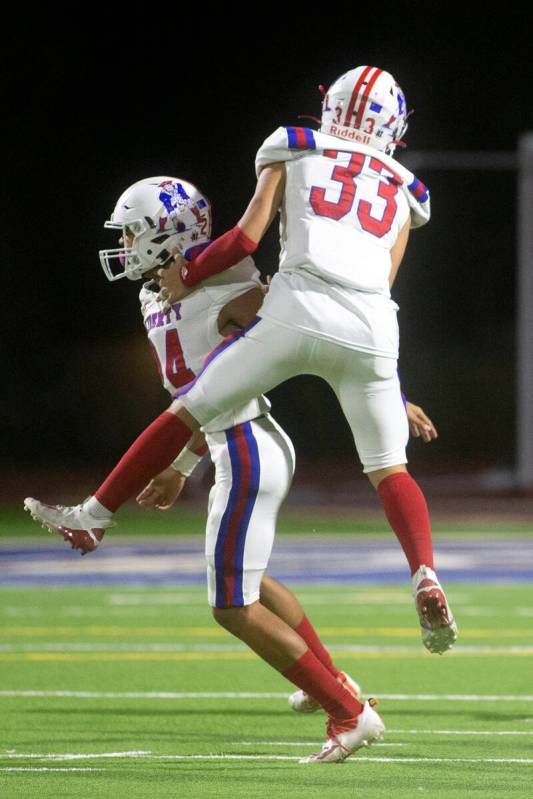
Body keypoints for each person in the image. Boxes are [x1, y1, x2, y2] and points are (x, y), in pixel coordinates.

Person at [25, 65, 456, 762]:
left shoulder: (239, 242)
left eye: (136, 235)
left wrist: (199, 277)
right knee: (257, 574)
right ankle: (359, 656)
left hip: (249, 439)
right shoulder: (398, 186)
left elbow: (254, 293)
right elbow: (368, 294)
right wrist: (379, 377)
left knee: (230, 603)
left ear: (167, 237)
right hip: (300, 387)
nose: (126, 248)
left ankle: (347, 705)